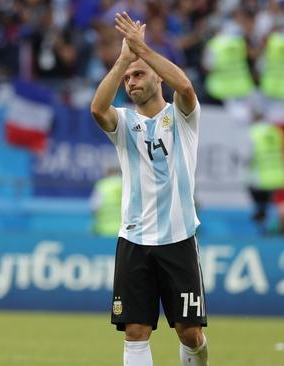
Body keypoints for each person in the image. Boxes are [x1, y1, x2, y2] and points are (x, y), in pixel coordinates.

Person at [90, 12, 209, 366]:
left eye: (139, 74)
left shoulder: (183, 117)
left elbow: (186, 87)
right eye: (128, 78)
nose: (132, 82)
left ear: (158, 75)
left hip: (178, 238)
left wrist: (144, 49)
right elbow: (98, 108)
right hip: (134, 241)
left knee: (190, 333)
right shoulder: (125, 123)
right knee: (135, 331)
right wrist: (125, 58)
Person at [90, 166, 122, 237]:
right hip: (121, 231)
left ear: (108, 173)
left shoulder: (102, 185)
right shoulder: (125, 184)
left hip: (103, 230)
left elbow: (94, 208)